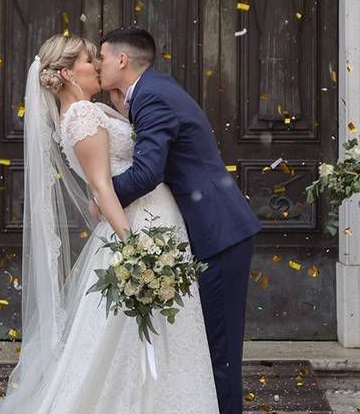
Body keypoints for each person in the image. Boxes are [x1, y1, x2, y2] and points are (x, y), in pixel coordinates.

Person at [0, 34, 219, 414]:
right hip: (138, 224)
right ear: (66, 73)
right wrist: (133, 248)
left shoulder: (86, 110)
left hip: (151, 218)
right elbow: (101, 186)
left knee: (142, 334)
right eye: (88, 61)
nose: (96, 66)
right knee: (134, 334)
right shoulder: (81, 114)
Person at [98, 26, 262, 414]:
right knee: (210, 348)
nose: (100, 65)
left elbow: (148, 172)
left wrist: (101, 197)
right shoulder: (153, 89)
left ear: (122, 60)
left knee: (219, 353)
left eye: (102, 57)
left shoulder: (152, 96)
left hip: (218, 231)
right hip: (213, 227)